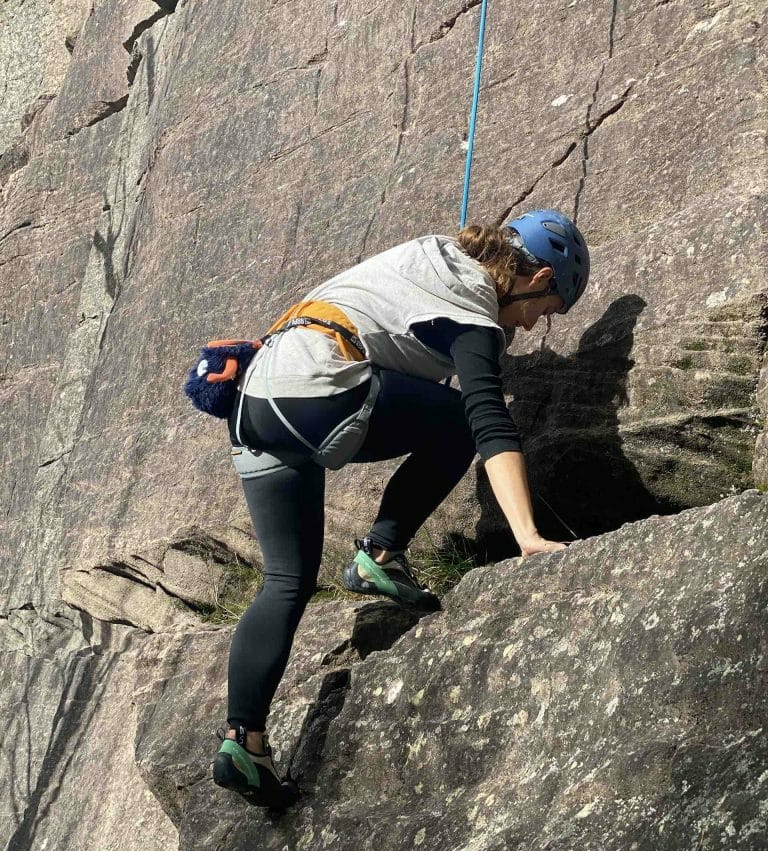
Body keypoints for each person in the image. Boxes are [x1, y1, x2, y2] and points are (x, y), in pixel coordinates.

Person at [212, 209, 590, 807]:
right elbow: (487, 415)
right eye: (546, 309)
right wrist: (528, 535)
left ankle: (245, 742)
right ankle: (381, 554)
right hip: (315, 388)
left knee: (286, 580)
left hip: (255, 401)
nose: (536, 324)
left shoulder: (433, 257)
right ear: (538, 276)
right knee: (460, 423)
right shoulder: (471, 312)